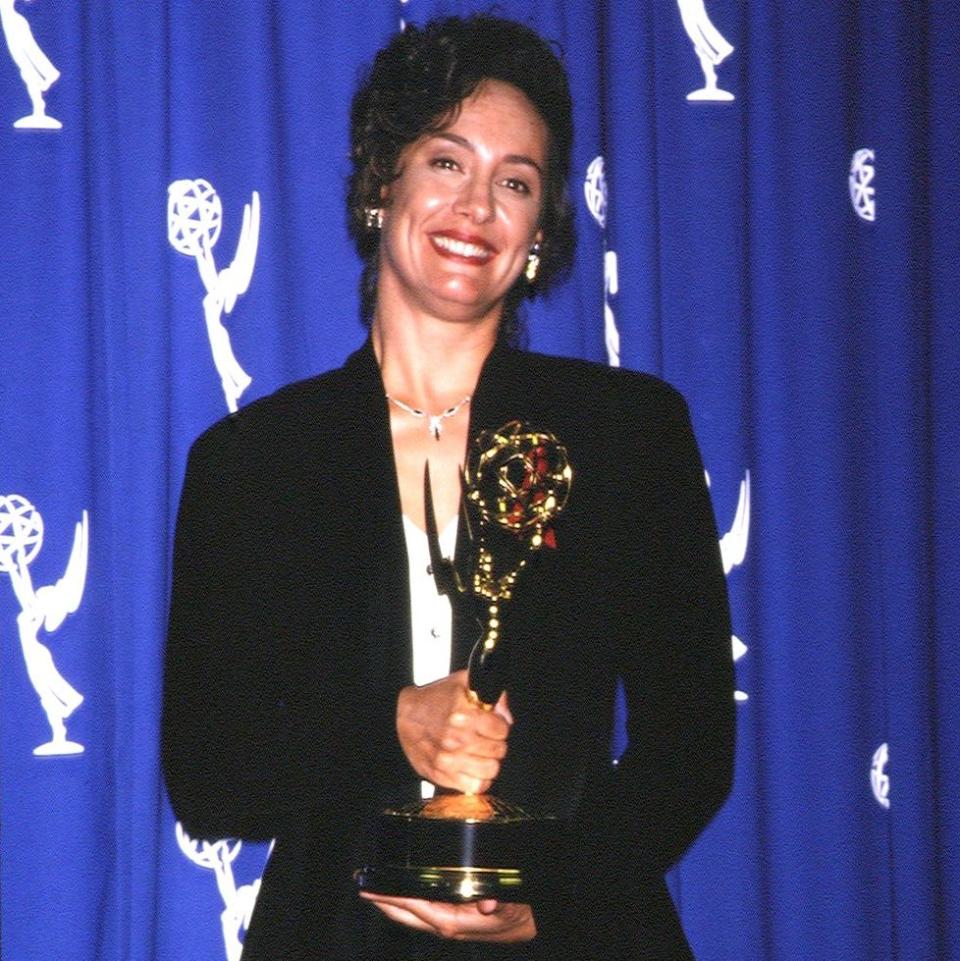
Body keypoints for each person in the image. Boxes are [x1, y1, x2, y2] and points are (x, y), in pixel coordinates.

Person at [162, 15, 735, 961]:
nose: (478, 206)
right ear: (382, 183)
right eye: (446, 162)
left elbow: (691, 748)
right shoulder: (251, 462)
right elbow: (210, 775)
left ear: (541, 230)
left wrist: (555, 898)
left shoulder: (627, 435)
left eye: (516, 180)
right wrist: (391, 722)